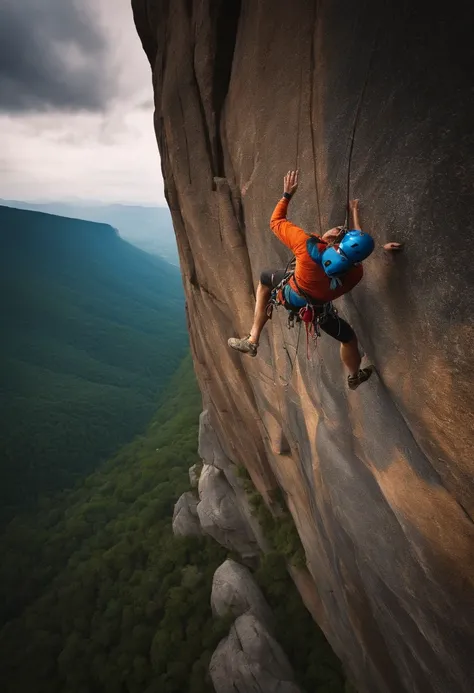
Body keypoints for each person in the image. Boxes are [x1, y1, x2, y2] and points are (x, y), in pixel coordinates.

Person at [228, 170, 402, 390]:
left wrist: (287, 195)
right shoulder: (355, 275)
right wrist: (355, 214)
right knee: (348, 339)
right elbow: (357, 255)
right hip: (318, 312)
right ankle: (354, 376)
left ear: (337, 244)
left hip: (291, 294)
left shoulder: (308, 246)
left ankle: (253, 339)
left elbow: (276, 221)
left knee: (264, 279)